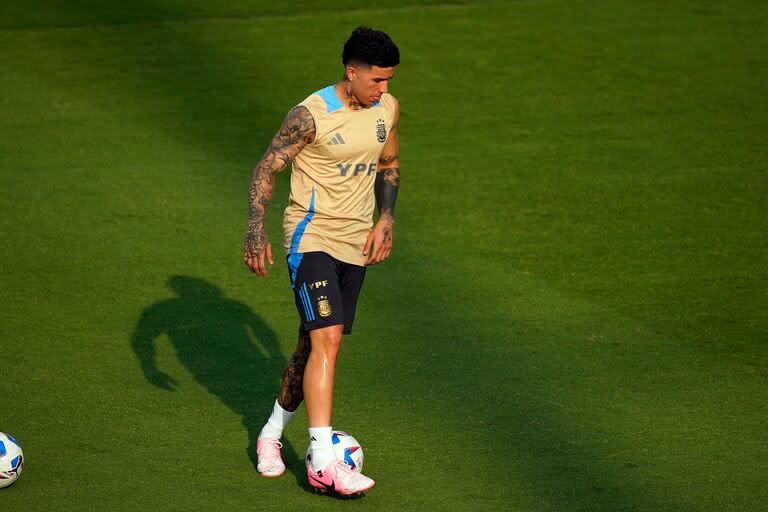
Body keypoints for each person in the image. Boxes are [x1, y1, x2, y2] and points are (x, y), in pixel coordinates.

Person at [242, 26, 400, 496]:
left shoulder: (386, 109)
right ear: (351, 73)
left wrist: (386, 219)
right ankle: (323, 461)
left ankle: (271, 435)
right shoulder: (310, 116)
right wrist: (255, 229)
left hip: (355, 245)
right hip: (311, 239)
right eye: (376, 81)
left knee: (312, 349)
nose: (385, 90)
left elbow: (389, 164)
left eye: (390, 80)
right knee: (327, 337)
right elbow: (267, 167)